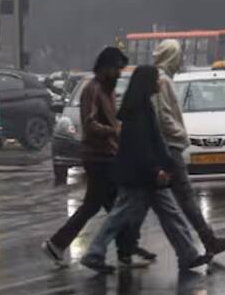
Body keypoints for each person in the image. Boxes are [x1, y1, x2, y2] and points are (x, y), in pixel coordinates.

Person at [80, 66, 211, 274]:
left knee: (169, 214)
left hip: (147, 175)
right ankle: (94, 253)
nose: (160, 82)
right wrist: (157, 169)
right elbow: (142, 146)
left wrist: (165, 165)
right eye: (156, 79)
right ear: (147, 82)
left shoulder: (143, 106)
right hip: (139, 176)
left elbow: (155, 142)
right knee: (121, 216)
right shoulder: (137, 111)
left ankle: (188, 255)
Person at [42, 47, 155, 269]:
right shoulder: (92, 89)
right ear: (105, 68)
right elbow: (90, 124)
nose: (118, 73)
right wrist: (114, 131)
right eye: (115, 69)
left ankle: (63, 245)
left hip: (107, 155)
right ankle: (118, 250)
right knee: (116, 207)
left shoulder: (108, 90)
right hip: (98, 158)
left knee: (109, 207)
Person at [152, 39, 225, 256]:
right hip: (169, 147)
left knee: (144, 204)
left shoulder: (161, 79)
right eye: (178, 56)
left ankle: (123, 245)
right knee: (185, 197)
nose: (181, 61)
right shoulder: (163, 81)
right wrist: (179, 134)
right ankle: (208, 241)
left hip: (162, 147)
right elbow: (163, 116)